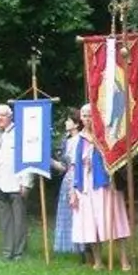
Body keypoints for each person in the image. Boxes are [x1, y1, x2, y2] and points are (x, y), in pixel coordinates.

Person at [69, 103, 132, 270]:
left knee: (115, 220)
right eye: (84, 115)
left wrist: (97, 143)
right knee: (91, 222)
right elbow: (74, 166)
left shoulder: (107, 135)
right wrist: (73, 191)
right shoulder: (78, 139)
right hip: (85, 185)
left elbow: (116, 156)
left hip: (105, 182)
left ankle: (124, 260)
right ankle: (98, 260)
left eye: (90, 115)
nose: (87, 118)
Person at [0, 103, 29, 262]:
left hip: (16, 183)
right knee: (5, 221)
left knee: (19, 220)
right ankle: (7, 251)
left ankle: (18, 252)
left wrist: (26, 182)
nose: (0, 118)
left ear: (10, 116)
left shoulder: (21, 133)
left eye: (3, 115)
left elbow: (27, 159)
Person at [52, 110, 82, 258]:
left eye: (68, 120)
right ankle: (72, 246)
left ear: (76, 124)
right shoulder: (67, 140)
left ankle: (83, 246)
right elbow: (64, 167)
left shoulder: (80, 140)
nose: (65, 123)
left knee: (78, 212)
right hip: (68, 178)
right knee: (68, 213)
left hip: (77, 178)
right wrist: (50, 161)